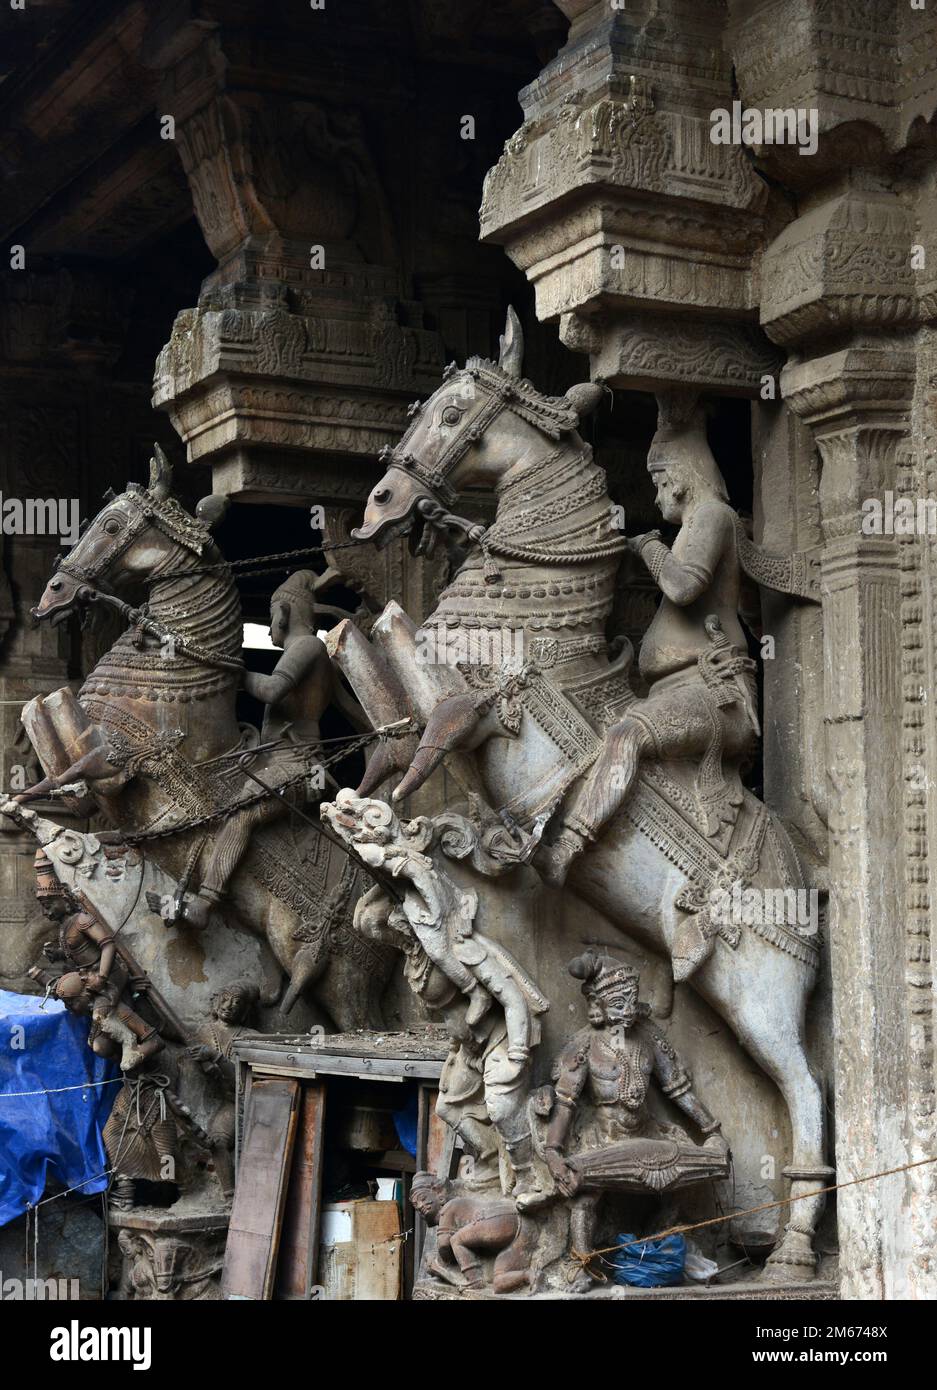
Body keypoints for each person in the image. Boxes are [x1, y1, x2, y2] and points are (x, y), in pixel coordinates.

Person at [537, 394, 759, 887]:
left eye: (659, 483)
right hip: (677, 690)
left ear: (679, 476)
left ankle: (568, 846)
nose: (658, 497)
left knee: (627, 734)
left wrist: (649, 545)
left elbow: (683, 587)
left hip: (711, 693)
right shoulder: (699, 526)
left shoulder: (713, 516)